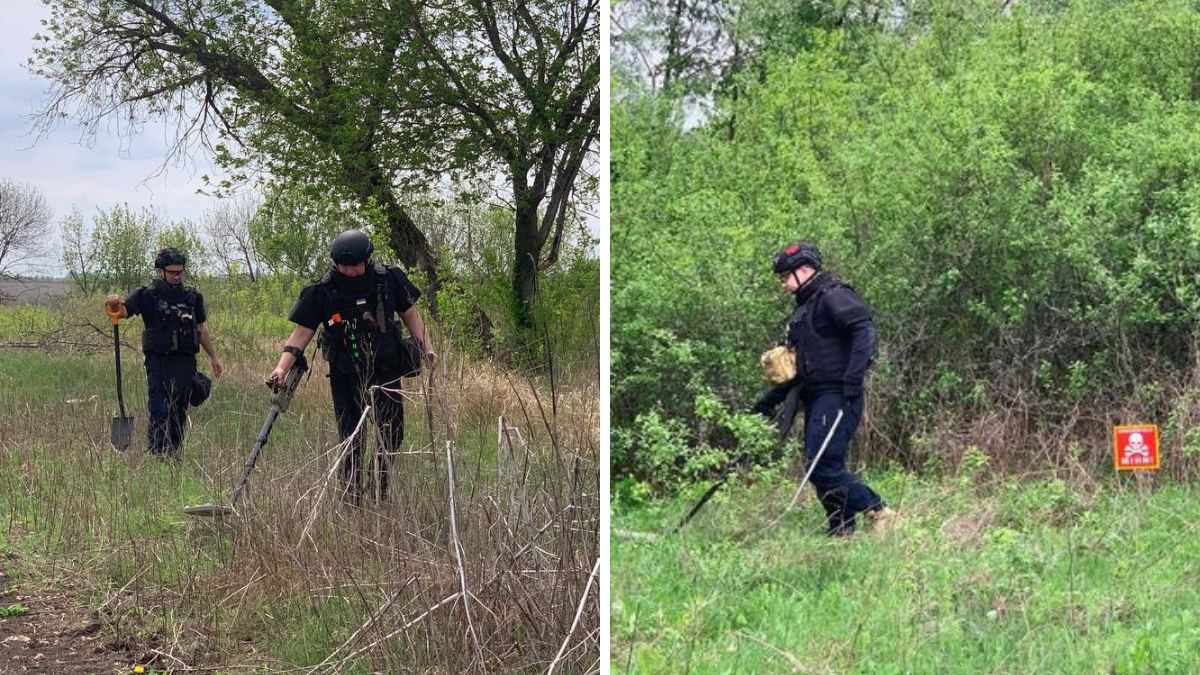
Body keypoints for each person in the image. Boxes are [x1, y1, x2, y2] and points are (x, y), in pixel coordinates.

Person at [267, 230, 436, 506]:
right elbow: (301, 334)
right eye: (343, 266)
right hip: (345, 376)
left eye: (354, 265)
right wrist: (281, 368)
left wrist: (426, 347)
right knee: (351, 440)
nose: (349, 271)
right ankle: (351, 499)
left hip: (386, 371)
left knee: (392, 434)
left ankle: (378, 489)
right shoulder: (321, 291)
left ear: (368, 259)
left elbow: (411, 315)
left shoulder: (389, 279)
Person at [752, 242, 897, 536]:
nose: (783, 284)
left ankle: (880, 511)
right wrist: (768, 401)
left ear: (805, 270)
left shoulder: (833, 295)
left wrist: (852, 380)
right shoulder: (804, 311)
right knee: (822, 464)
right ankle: (841, 532)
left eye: (785, 276)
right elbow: (801, 370)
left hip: (838, 395)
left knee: (821, 466)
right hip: (817, 397)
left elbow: (864, 330)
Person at [104, 247, 223, 458]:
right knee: (159, 408)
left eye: (180, 272)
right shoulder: (147, 295)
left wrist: (213, 356)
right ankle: (156, 453)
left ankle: (174, 454)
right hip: (158, 362)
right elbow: (122, 311)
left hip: (185, 362)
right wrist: (113, 303)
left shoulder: (193, 298)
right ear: (161, 271)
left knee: (178, 411)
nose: (177, 276)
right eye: (172, 272)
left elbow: (201, 329)